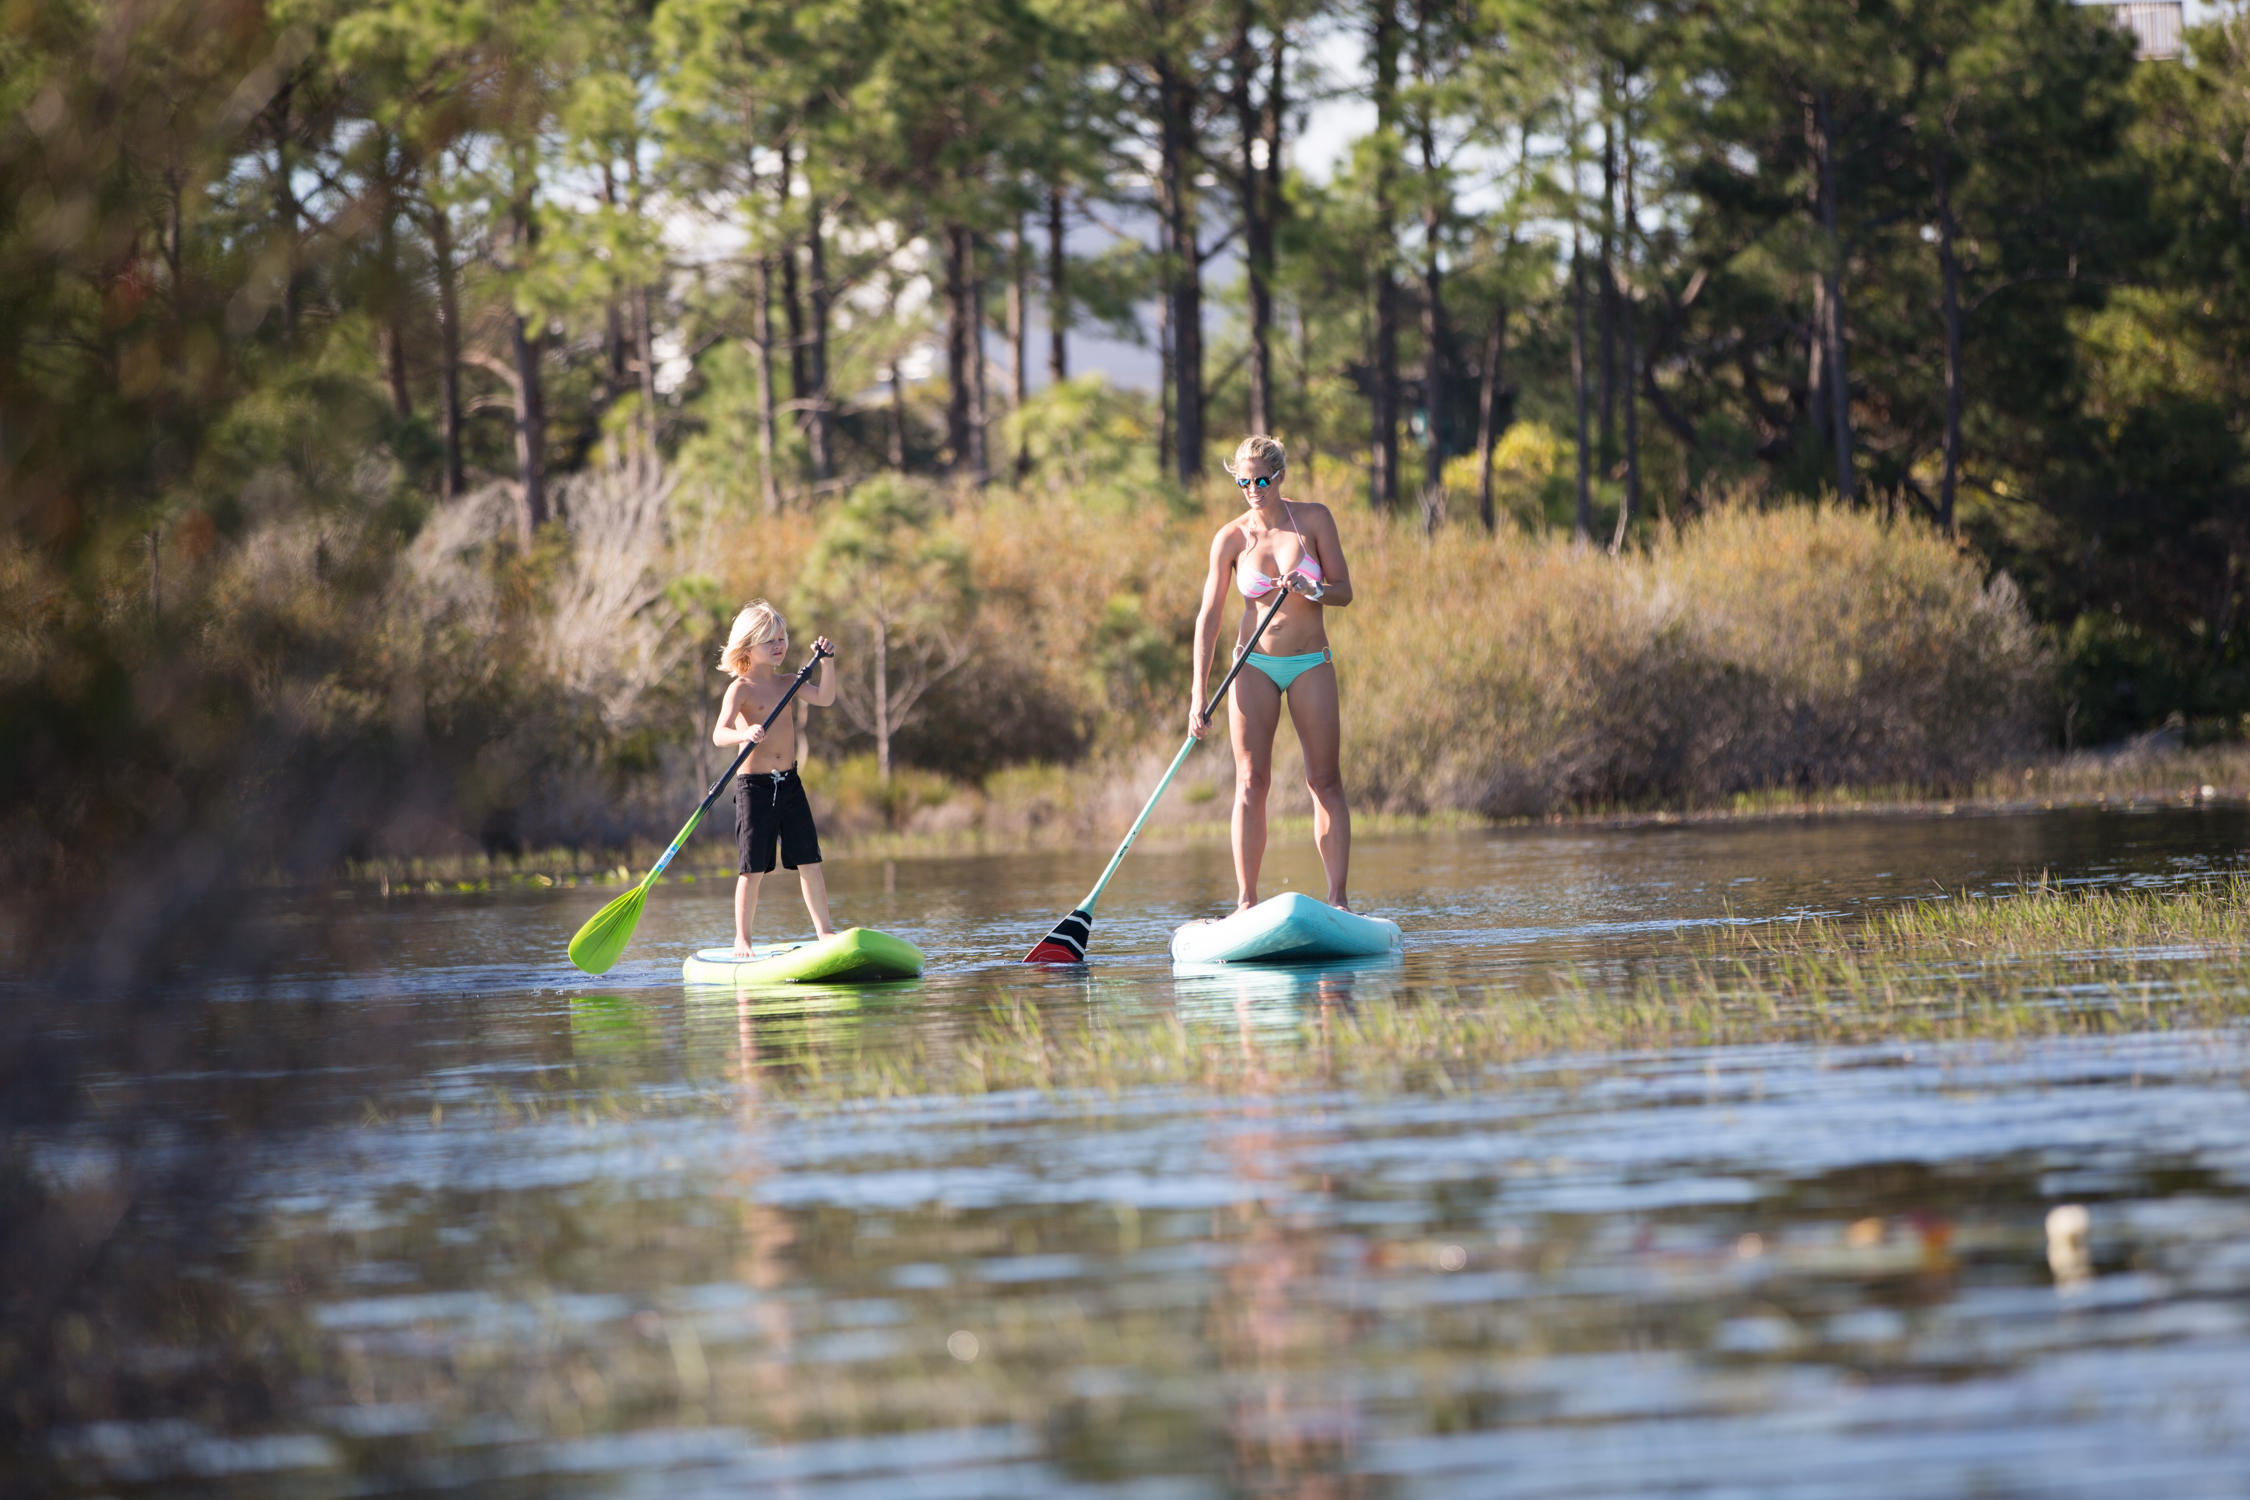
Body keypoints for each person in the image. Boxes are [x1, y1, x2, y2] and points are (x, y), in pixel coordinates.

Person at [1189, 435, 1356, 911]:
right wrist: (1197, 695)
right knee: (1250, 782)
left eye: (1261, 480)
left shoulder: (1314, 520)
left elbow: (1344, 591)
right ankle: (1246, 902)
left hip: (1309, 663)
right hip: (1252, 665)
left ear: (1279, 476)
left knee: (1324, 781)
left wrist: (1313, 588)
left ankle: (1338, 901)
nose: (1252, 490)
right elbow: (1209, 617)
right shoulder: (1230, 538)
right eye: (1243, 482)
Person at [711, 601, 837, 954]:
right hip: (755, 789)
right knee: (751, 870)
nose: (779, 645)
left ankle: (826, 932)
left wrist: (827, 664)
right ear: (748, 646)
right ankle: (743, 939)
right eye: (769, 640)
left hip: (790, 784)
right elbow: (719, 734)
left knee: (810, 861)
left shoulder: (789, 682)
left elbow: (825, 698)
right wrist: (744, 733)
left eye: (782, 638)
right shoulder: (740, 689)